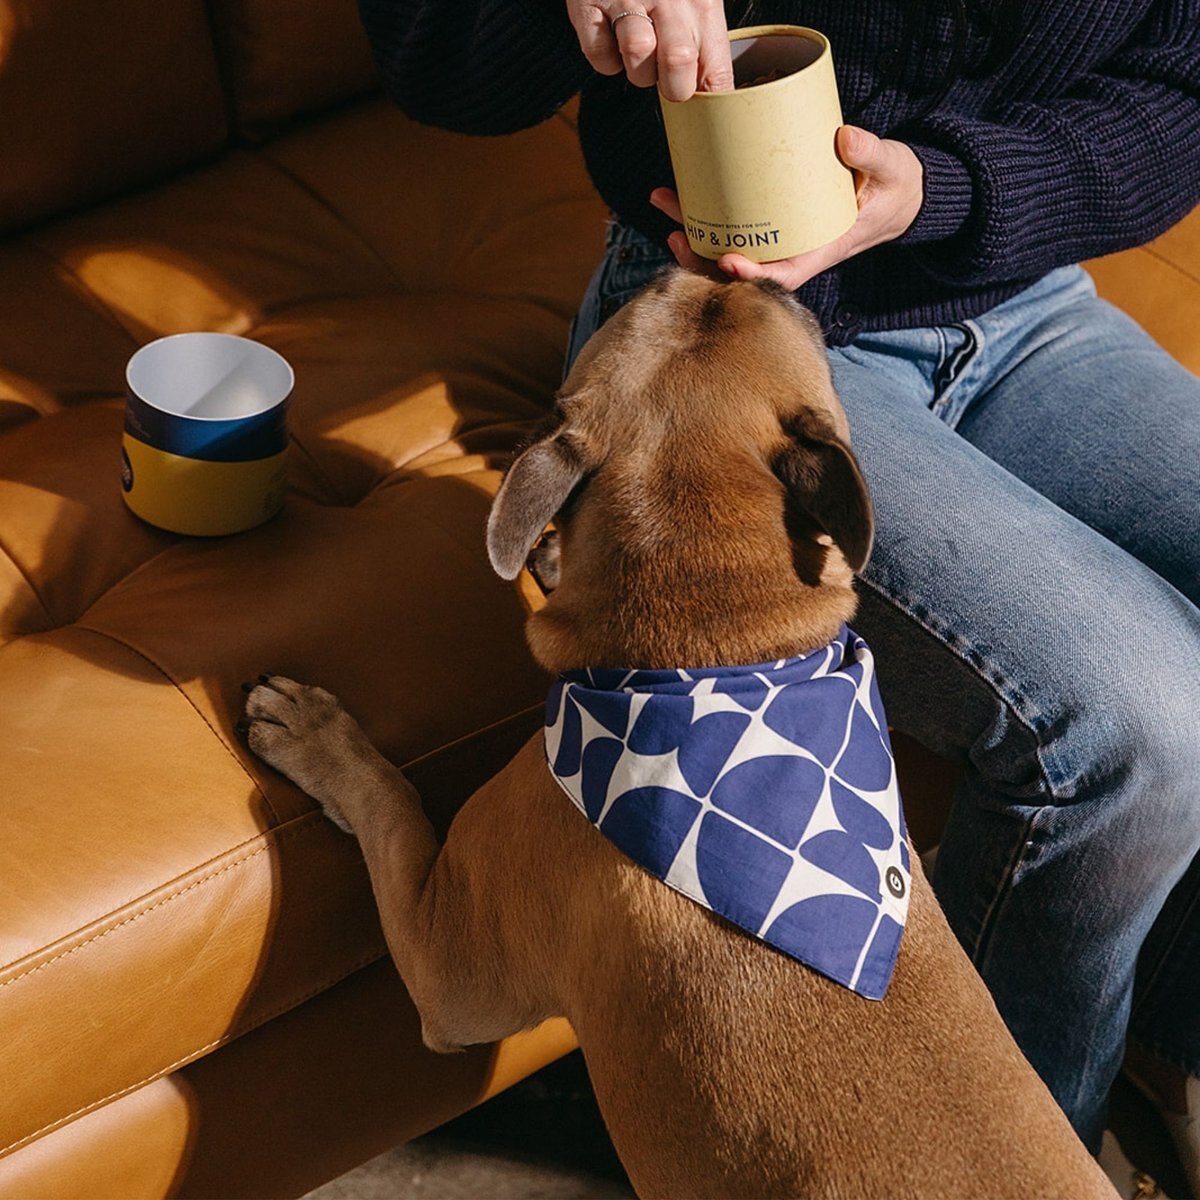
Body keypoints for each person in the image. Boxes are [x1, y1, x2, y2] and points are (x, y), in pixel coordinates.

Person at [357, 0, 1200, 1190]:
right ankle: (1024, 1154)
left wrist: (949, 190)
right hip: (716, 356)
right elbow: (435, 56)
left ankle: (1167, 1035)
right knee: (1143, 718)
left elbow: (1182, 94)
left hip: (1027, 304)